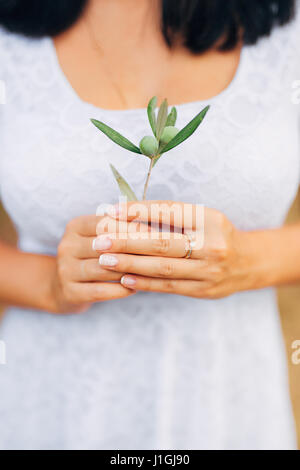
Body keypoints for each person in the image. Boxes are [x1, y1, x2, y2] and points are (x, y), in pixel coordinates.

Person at [0, 0, 299, 450]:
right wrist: (49, 283)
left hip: (227, 407)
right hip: (53, 404)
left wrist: (248, 262)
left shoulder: (288, 27)